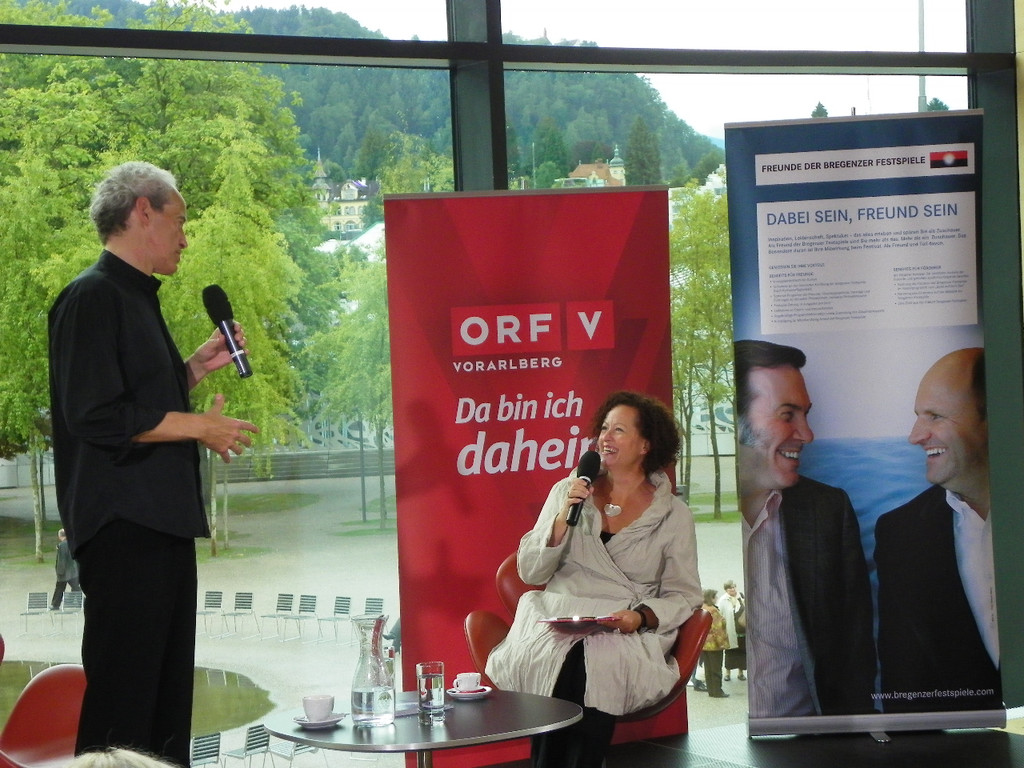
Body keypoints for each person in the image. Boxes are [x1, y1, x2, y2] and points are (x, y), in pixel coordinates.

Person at [48, 161, 259, 766]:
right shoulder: (91, 296)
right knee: (124, 711)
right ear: (143, 211)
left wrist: (189, 371)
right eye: (180, 221)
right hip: (123, 530)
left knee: (165, 711)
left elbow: (132, 402)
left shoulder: (134, 297)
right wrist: (200, 426)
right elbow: (95, 414)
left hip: (159, 526)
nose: (185, 238)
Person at [486, 390, 702, 768]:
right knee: (556, 657)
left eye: (618, 430)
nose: (605, 438)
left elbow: (683, 593)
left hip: (625, 623)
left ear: (645, 445)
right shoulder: (566, 491)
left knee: (598, 661)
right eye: (604, 428)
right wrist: (561, 520)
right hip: (557, 613)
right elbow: (531, 572)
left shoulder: (673, 515)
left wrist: (641, 616)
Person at [734, 339, 875, 719]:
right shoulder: (677, 515)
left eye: (805, 415)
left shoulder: (828, 510)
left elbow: (855, 652)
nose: (807, 434)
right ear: (734, 419)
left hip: (809, 737)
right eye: (787, 414)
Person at [874, 347, 1002, 712]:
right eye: (918, 416)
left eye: (935, 416)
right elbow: (905, 689)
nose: (915, 436)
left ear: (992, 417)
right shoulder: (899, 535)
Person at [700, 588, 729, 698]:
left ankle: (711, 690)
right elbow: (718, 629)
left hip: (704, 643)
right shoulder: (713, 611)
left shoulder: (702, 608)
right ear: (711, 598)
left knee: (708, 668)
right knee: (716, 669)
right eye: (715, 597)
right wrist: (722, 643)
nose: (717, 598)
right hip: (714, 644)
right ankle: (717, 691)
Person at [717, 579, 746, 682]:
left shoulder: (741, 597)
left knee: (742, 652)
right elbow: (719, 615)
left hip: (742, 631)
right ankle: (727, 673)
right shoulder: (723, 600)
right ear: (726, 590)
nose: (733, 589)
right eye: (730, 588)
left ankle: (740, 673)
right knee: (730, 653)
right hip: (730, 631)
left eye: (734, 587)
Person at [50, 528, 82, 610]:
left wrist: (59, 572)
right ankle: (81, 603)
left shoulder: (62, 545)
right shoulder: (72, 543)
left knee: (59, 588)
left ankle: (55, 605)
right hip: (73, 571)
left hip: (64, 572)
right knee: (76, 587)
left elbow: (62, 559)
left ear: (60, 536)